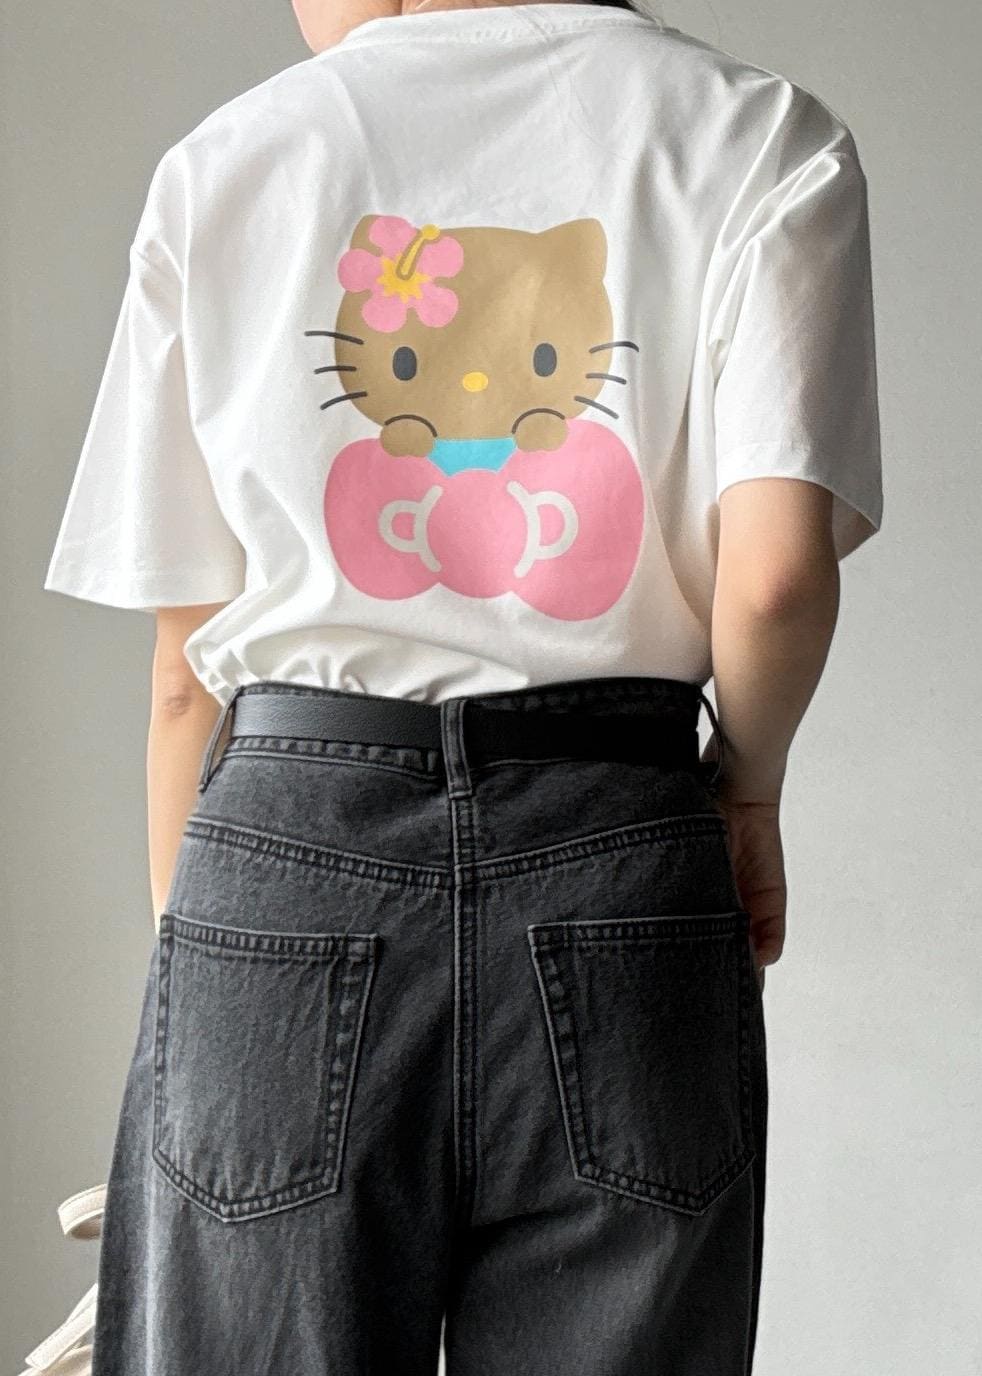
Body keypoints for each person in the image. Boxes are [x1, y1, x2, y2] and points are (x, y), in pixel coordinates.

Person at [42, 0, 883, 1371]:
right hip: (622, 845)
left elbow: (184, 678)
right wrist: (748, 790)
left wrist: (210, 987)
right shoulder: (758, 135)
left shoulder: (233, 158)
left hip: (288, 851)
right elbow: (777, 579)